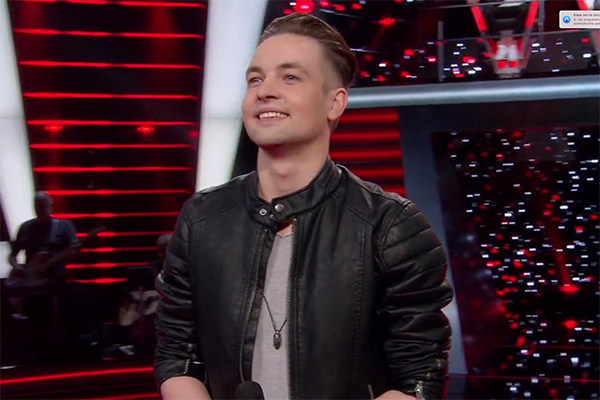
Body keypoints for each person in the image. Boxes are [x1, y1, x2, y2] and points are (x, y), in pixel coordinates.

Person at [155, 13, 453, 400]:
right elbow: (177, 356)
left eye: (290, 77)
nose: (265, 91)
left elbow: (418, 379)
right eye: (255, 79)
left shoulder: (392, 226)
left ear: (335, 103)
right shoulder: (202, 220)